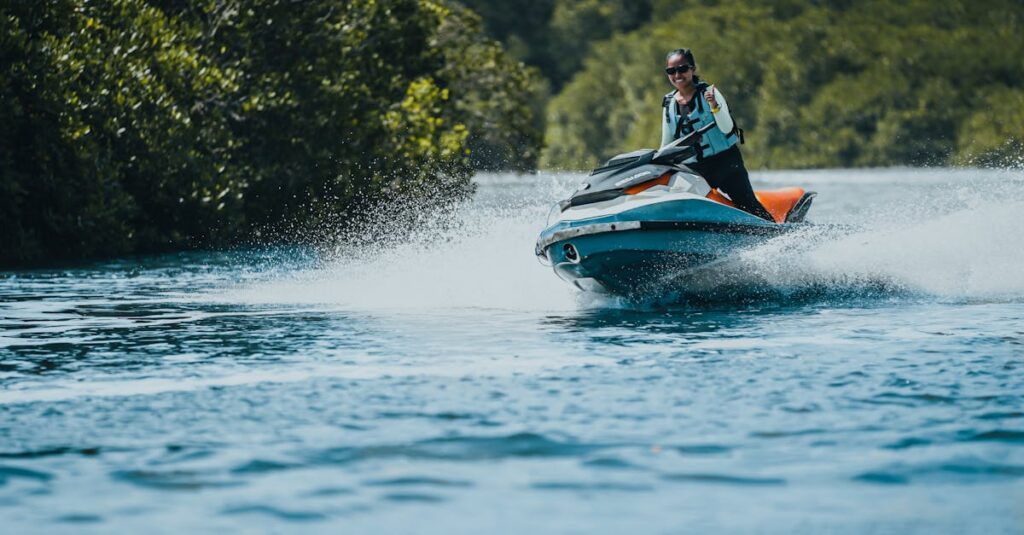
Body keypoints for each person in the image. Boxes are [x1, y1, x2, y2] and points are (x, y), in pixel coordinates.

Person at [661, 48, 773, 221]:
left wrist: (714, 105)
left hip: (726, 163)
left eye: (682, 69)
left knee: (748, 205)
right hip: (696, 170)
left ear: (692, 69)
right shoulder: (669, 103)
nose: (677, 75)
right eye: (671, 71)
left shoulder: (710, 93)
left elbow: (727, 127)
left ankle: (777, 233)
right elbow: (666, 144)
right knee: (683, 205)